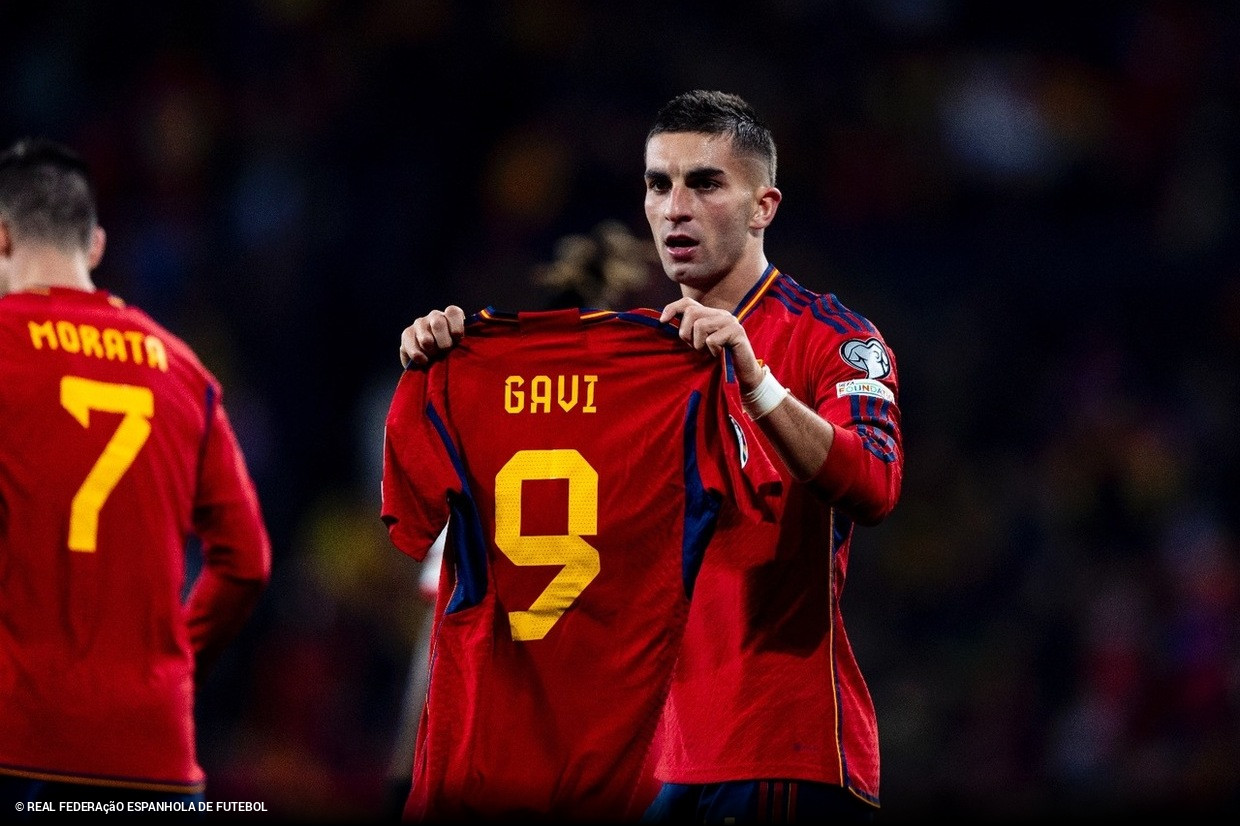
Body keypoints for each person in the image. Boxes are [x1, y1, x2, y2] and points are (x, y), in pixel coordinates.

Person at [398, 90, 904, 823]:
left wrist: (754, 382)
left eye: (704, 183)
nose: (674, 207)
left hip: (776, 748)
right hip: (649, 762)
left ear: (764, 206)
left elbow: (876, 483)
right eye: (657, 183)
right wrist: (451, 357)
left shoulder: (830, 337)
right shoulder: (628, 363)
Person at [0, 138, 271, 812]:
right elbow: (248, 564)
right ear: (94, 245)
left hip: (17, 739)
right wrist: (174, 667)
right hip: (149, 752)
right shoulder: (184, 372)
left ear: (2, 237)